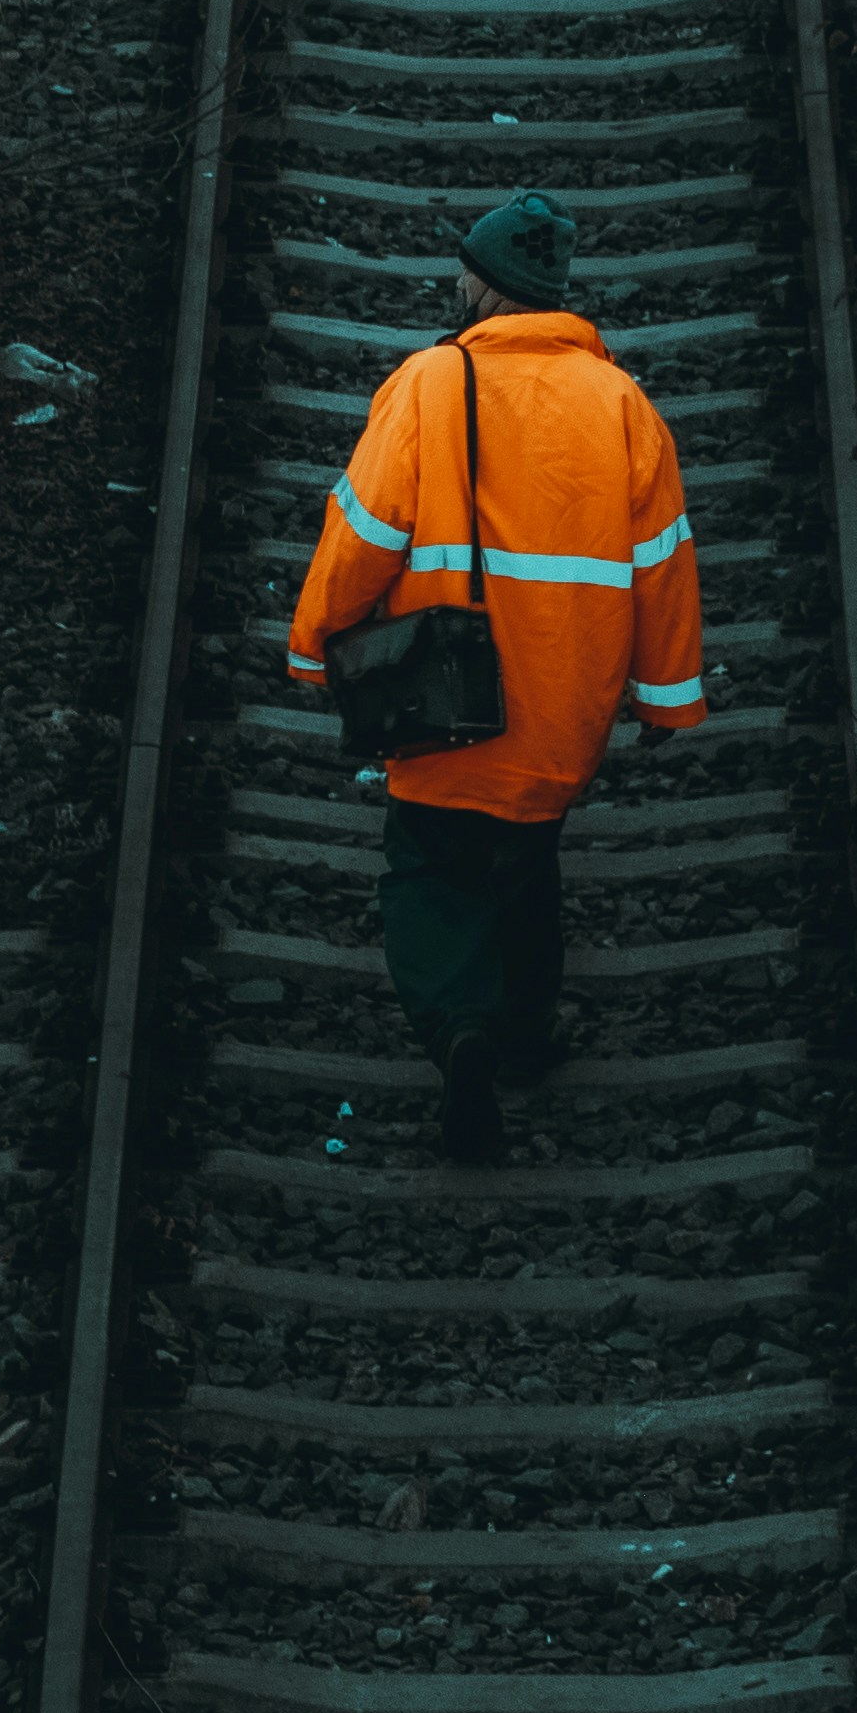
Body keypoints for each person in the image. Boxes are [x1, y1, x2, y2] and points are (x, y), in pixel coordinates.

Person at [285, 190, 707, 1163]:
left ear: (476, 287)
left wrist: (317, 642)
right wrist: (666, 693)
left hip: (439, 687)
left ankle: (458, 1030)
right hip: (565, 701)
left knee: (429, 864)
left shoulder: (429, 385)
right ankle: (523, 1029)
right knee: (525, 854)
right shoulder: (621, 406)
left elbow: (363, 533)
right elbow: (663, 560)